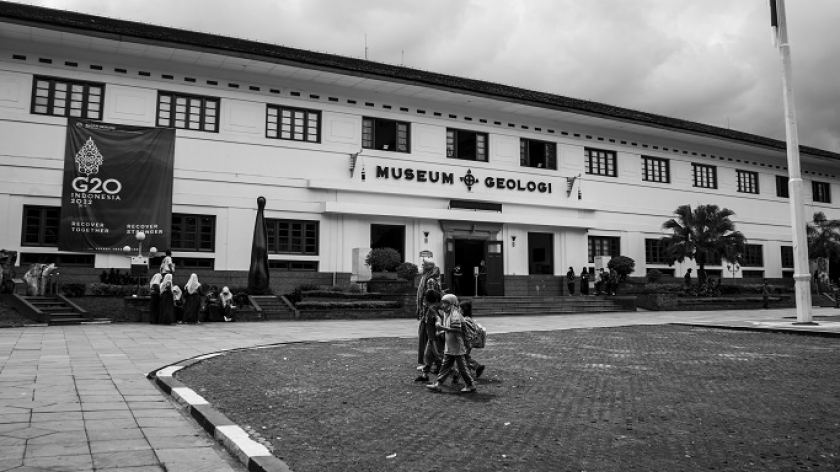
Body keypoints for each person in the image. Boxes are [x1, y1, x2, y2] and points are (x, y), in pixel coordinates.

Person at [426, 294, 476, 393]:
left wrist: (442, 328)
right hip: (450, 346)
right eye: (443, 302)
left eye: (446, 303)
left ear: (452, 304)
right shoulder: (447, 314)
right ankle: (438, 384)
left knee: (462, 367)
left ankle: (470, 384)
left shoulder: (455, 315)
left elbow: (457, 330)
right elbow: (449, 328)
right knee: (445, 366)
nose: (443, 305)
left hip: (457, 346)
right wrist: (441, 331)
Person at [415, 258, 441, 368]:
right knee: (427, 337)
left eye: (423, 265)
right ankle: (432, 361)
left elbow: (429, 297)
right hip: (427, 311)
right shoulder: (427, 278)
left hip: (428, 313)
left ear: (428, 267)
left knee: (425, 337)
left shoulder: (430, 280)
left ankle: (427, 362)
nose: (421, 266)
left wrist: (422, 311)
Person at [415, 289, 443, 382]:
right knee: (428, 356)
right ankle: (425, 375)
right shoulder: (435, 308)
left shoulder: (433, 309)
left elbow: (437, 318)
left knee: (440, 356)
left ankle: (455, 372)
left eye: (424, 299)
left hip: (435, 338)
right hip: (432, 338)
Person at [460, 300, 485, 379]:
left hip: (467, 342)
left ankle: (476, 367)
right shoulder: (468, 319)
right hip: (469, 342)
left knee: (463, 357)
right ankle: (472, 369)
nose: (458, 311)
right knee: (465, 356)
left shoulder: (466, 320)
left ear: (464, 310)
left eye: (460, 309)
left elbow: (467, 332)